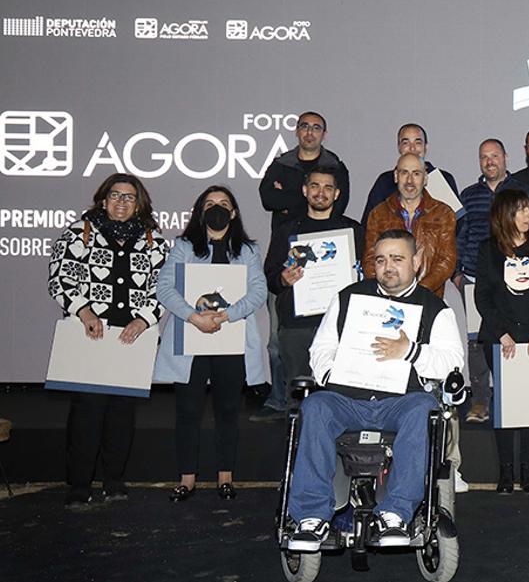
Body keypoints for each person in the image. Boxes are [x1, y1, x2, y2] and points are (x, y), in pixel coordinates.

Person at [285, 229, 464, 551]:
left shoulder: (435, 308)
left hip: (400, 401)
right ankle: (311, 517)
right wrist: (332, 372)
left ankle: (395, 513)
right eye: (381, 260)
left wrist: (410, 351)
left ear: (417, 262)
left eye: (397, 259)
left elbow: (452, 363)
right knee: (315, 407)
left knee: (423, 408)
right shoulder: (347, 297)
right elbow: (321, 348)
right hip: (348, 398)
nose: (388, 267)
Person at [48, 173, 169, 509]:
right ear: (103, 199)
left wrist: (144, 319)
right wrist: (83, 311)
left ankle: (114, 480)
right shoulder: (79, 233)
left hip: (132, 338)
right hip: (89, 333)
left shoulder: (154, 240)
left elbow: (165, 288)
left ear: (139, 203)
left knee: (121, 414)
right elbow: (59, 279)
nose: (121, 202)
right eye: (115, 195)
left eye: (129, 197)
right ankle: (79, 484)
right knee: (86, 413)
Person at [155, 186, 268, 502]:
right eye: (210, 204)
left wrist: (227, 316)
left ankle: (225, 477)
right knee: (188, 411)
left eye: (223, 204)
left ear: (233, 213)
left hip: (230, 340)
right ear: (200, 212)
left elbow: (258, 291)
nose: (216, 208)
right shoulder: (183, 247)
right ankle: (187, 478)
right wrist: (194, 317)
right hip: (192, 339)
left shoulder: (247, 251)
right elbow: (165, 288)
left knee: (228, 411)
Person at [257, 111, 350, 421]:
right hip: (296, 320)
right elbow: (267, 198)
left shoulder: (350, 232)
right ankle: (280, 403)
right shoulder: (285, 232)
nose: (320, 193)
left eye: (327, 188)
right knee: (278, 350)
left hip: (336, 322)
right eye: (314, 187)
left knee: (335, 400)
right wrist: (283, 279)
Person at [474, 190, 529, 494]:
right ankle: (505, 473)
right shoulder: (488, 250)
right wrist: (502, 334)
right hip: (501, 338)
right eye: (521, 210)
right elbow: (482, 296)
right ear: (505, 214)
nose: (528, 216)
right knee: (506, 404)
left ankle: (528, 472)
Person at [457, 138, 529, 424]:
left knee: (514, 338)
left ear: (506, 157)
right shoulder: (468, 195)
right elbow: (461, 234)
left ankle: (519, 397)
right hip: (474, 276)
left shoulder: (523, 192)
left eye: (495, 155)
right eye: (484, 157)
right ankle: (480, 402)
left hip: (516, 277)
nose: (489, 161)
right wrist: (458, 271)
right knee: (477, 342)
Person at [363, 153, 457, 298]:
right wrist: (388, 290)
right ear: (395, 176)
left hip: (428, 298)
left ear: (425, 179)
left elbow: (446, 260)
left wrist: (418, 292)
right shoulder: (378, 214)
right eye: (404, 173)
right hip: (387, 299)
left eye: (416, 174)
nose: (409, 180)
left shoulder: (443, 213)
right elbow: (370, 259)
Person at [259, 111, 351, 229]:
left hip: (324, 233)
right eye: (304, 126)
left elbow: (340, 206)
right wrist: (315, 200)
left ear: (324, 134)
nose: (310, 132)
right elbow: (268, 200)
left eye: (316, 128)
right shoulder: (280, 164)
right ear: (296, 131)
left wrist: (287, 199)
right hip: (285, 234)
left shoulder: (335, 167)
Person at [361, 123, 460, 224]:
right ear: (399, 148)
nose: (412, 148)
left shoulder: (443, 179)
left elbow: (459, 226)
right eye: (406, 143)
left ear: (425, 147)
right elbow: (368, 224)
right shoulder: (385, 181)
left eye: (418, 143)